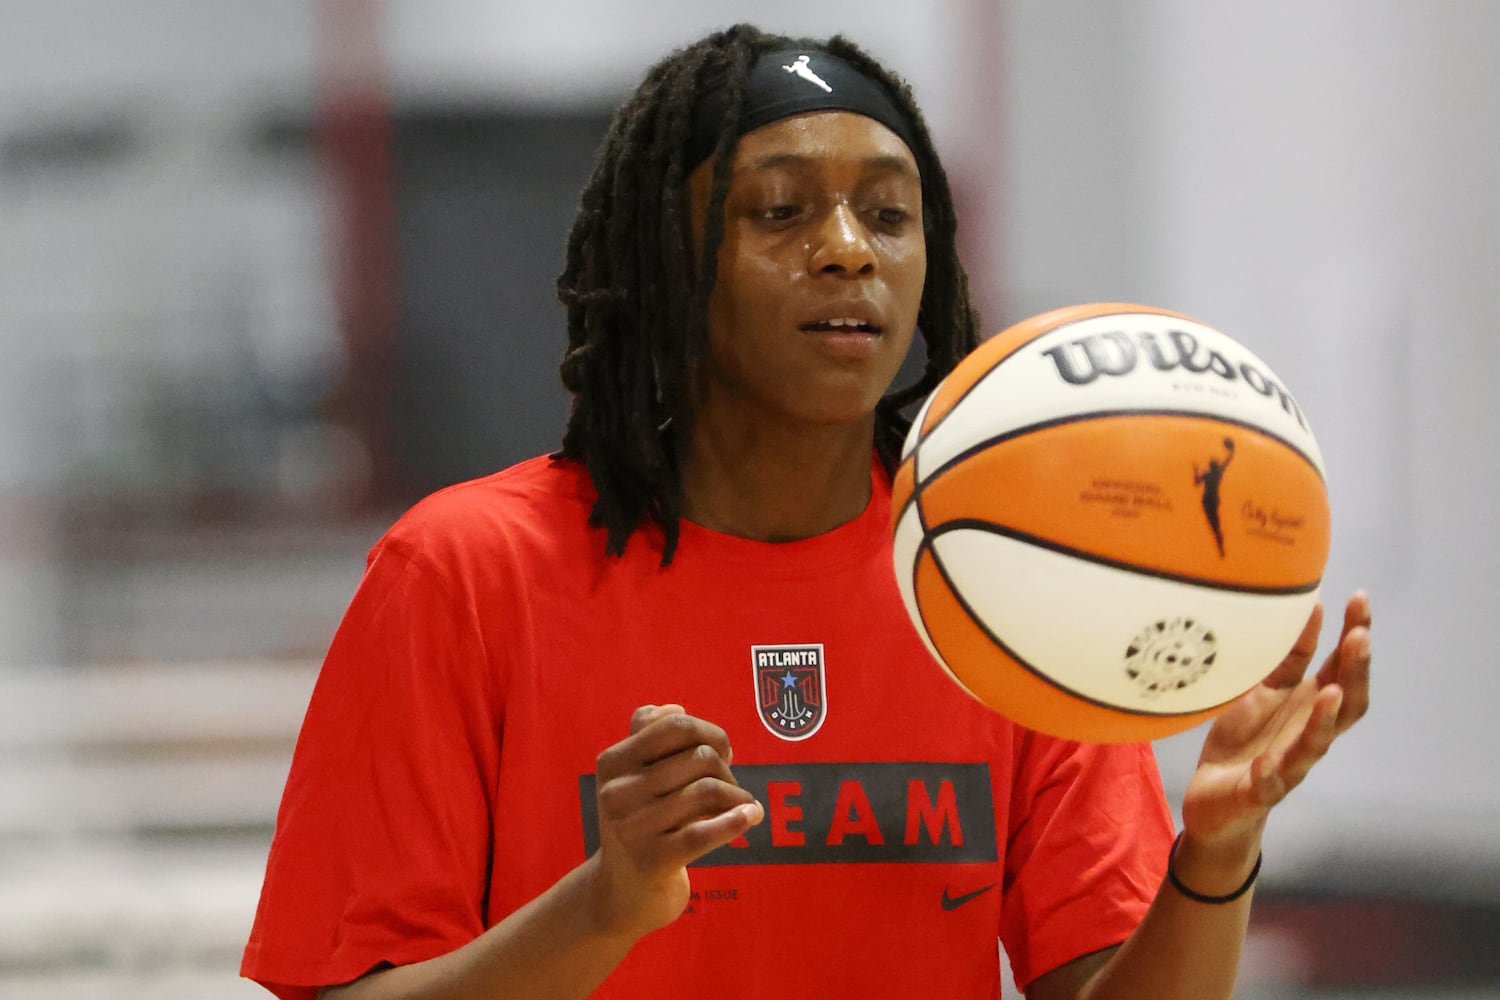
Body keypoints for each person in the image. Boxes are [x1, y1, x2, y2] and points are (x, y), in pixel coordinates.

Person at [241, 24, 1372, 1000]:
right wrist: (609, 902)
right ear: (666, 263)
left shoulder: (1006, 581)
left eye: (890, 213)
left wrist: (1216, 849)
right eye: (779, 211)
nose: (847, 251)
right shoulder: (465, 570)